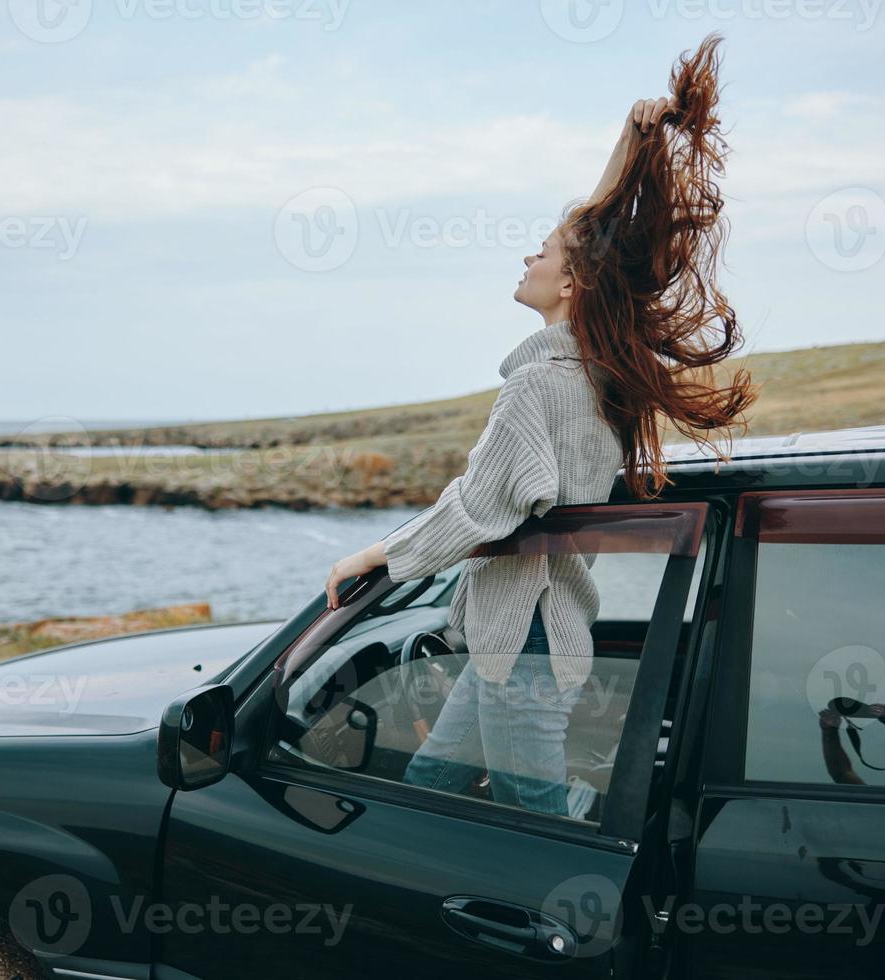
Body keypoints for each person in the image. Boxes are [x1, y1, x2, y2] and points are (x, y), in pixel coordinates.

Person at [323, 34, 757, 817]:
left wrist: (372, 555)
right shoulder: (594, 376)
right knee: (429, 793)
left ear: (572, 281)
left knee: (540, 814)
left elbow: (475, 509)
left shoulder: (541, 386)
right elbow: (594, 236)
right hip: (520, 640)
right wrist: (631, 145)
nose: (530, 254)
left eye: (545, 250)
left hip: (524, 645)